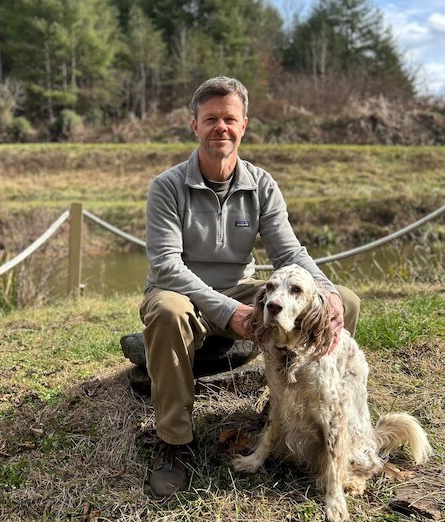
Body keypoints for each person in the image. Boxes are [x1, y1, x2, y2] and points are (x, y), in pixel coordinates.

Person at [140, 76, 360, 498]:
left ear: (244, 125)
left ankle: (301, 411)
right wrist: (226, 311)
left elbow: (290, 254)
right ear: (194, 125)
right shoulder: (167, 187)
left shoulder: (261, 185)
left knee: (343, 302)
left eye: (229, 118)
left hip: (241, 291)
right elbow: (166, 265)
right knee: (169, 311)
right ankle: (174, 444)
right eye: (210, 119)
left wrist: (328, 290)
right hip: (179, 293)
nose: (220, 127)